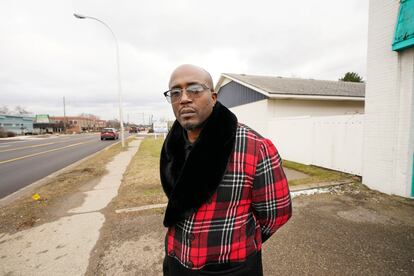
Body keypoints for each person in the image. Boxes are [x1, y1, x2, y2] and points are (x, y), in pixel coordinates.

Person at [160, 64, 292, 275]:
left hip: (232, 269)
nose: (183, 98)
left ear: (213, 97)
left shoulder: (254, 147)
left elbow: (277, 214)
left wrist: (238, 243)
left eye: (194, 89)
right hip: (177, 262)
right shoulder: (171, 145)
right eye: (175, 92)